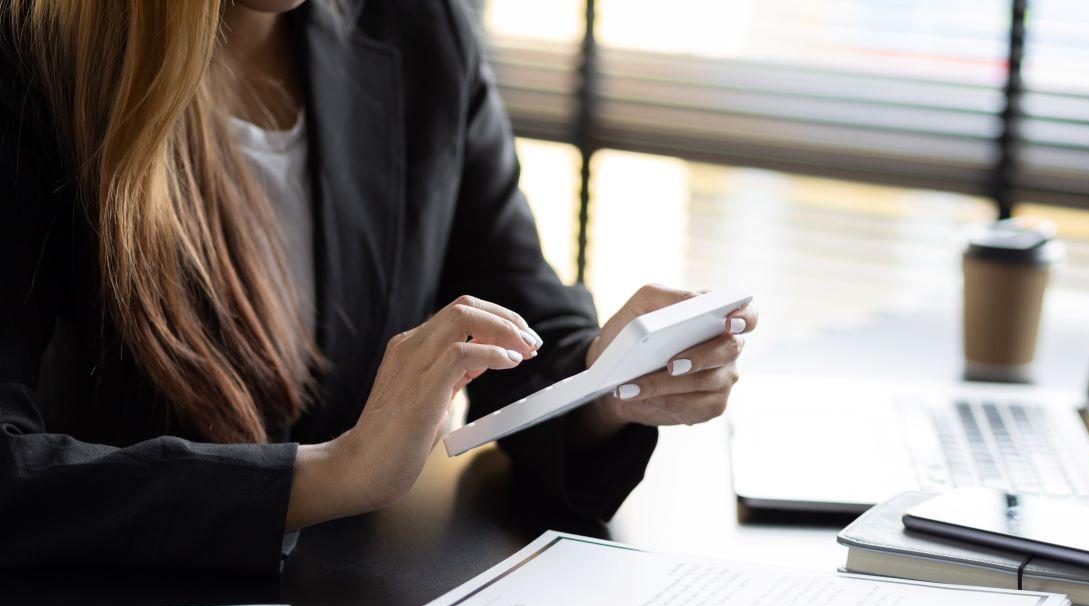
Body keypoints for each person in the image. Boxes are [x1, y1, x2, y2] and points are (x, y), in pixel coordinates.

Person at [0, 0, 757, 572]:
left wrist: (606, 387)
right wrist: (336, 473)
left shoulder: (415, 26)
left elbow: (513, 304)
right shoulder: (28, 61)